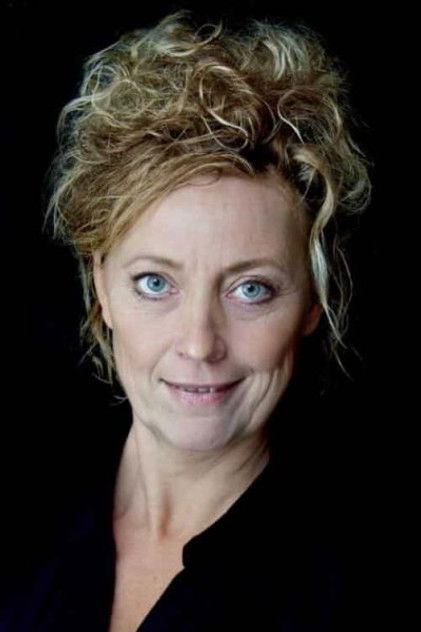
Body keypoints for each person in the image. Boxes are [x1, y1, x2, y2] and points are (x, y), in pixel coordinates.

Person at [1, 9, 372, 632]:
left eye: (250, 289)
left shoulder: (349, 594)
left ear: (313, 302)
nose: (200, 343)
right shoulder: (21, 521)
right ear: (102, 285)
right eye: (155, 282)